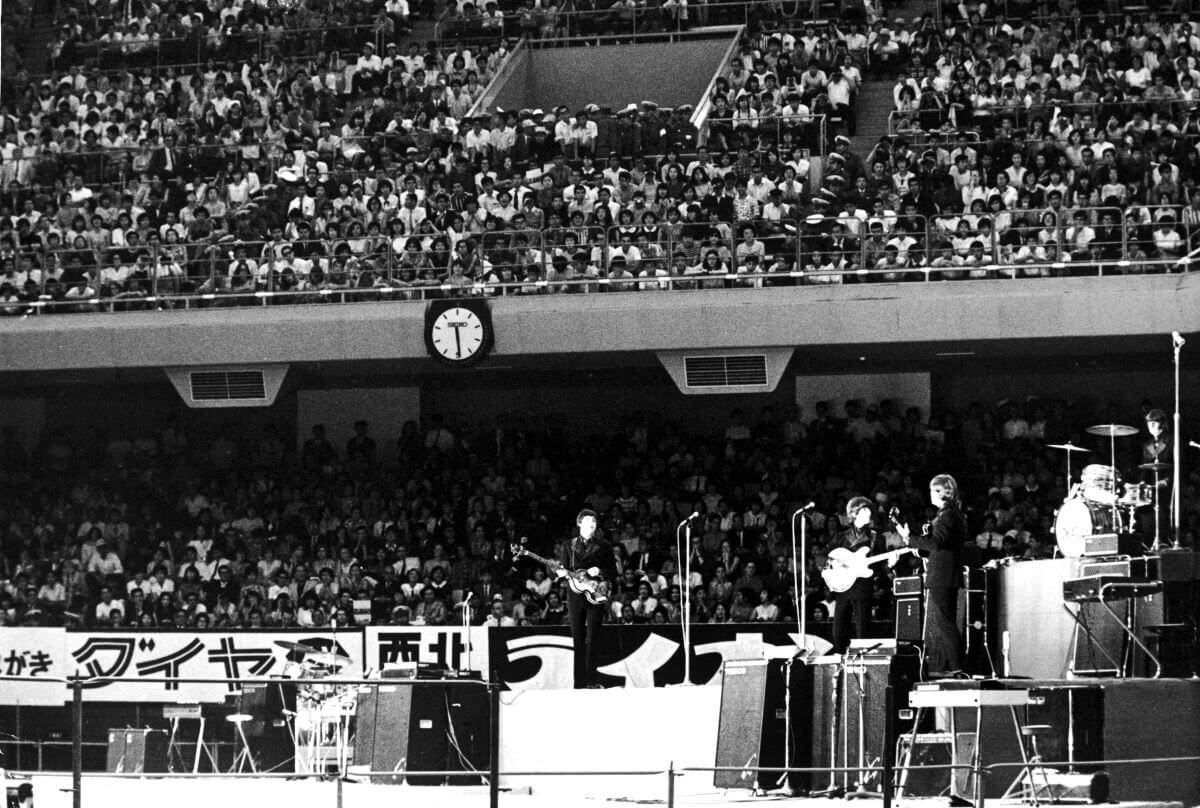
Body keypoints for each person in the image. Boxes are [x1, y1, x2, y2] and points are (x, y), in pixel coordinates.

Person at [896, 474, 966, 676]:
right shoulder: (950, 515)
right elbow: (940, 547)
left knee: (945, 623)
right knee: (944, 623)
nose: (930, 495)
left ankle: (958, 667)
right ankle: (953, 667)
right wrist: (918, 547)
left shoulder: (947, 516)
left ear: (943, 492)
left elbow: (936, 543)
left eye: (933, 491)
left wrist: (911, 539)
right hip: (945, 574)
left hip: (943, 576)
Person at [558, 509, 616, 688]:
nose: (592, 524)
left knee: (593, 638)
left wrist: (600, 571)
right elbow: (563, 568)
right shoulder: (568, 545)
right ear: (579, 523)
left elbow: (613, 572)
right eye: (588, 521)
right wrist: (561, 573)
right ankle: (579, 683)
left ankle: (592, 680)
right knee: (577, 639)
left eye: (594, 522)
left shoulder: (604, 546)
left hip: (595, 595)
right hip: (575, 595)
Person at [832, 496, 879, 653]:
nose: (868, 513)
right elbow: (824, 558)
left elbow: (880, 564)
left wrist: (891, 563)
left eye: (868, 510)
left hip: (862, 586)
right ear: (853, 514)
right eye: (864, 510)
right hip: (843, 586)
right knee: (839, 630)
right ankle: (839, 658)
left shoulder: (875, 537)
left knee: (862, 629)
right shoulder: (840, 537)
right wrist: (831, 569)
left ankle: (862, 660)